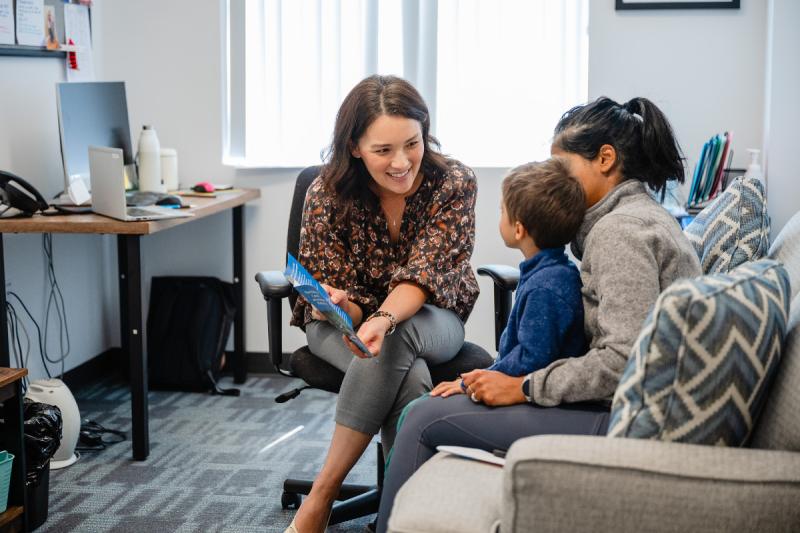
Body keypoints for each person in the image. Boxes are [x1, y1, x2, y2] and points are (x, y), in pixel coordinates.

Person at [375, 96, 703, 532]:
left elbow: (625, 359)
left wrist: (524, 387)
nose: (553, 180)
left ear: (605, 159)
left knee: (419, 418)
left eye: (561, 168)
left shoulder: (620, 233)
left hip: (629, 422)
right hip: (624, 408)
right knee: (428, 409)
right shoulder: (634, 219)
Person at [284, 75, 480, 533]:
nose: (401, 162)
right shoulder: (326, 194)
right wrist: (342, 307)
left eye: (412, 143)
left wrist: (383, 318)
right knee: (404, 368)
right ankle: (406, 517)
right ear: (354, 147)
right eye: (382, 150)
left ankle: (320, 499)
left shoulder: (453, 182)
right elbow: (342, 310)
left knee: (395, 337)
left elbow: (425, 274)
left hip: (433, 318)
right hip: (340, 327)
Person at [430, 157, 587, 404]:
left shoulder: (546, 288)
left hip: (538, 403)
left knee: (427, 408)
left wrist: (475, 381)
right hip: (518, 382)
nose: (499, 215)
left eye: (503, 210)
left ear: (518, 229)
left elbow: (530, 360)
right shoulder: (551, 273)